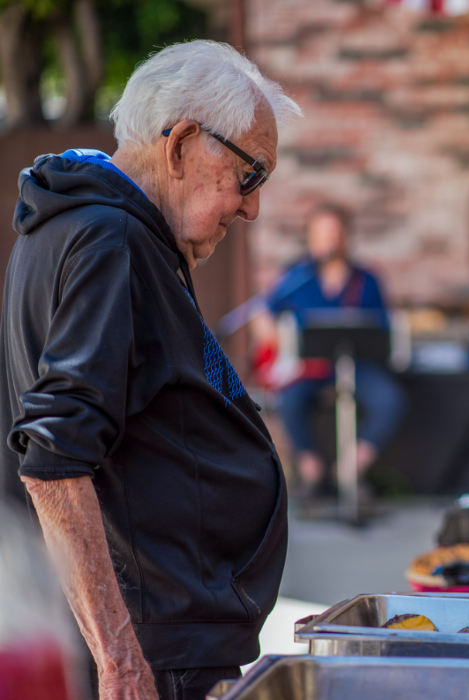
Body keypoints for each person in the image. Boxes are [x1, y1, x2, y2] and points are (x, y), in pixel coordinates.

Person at [0, 41, 301, 700]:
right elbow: (52, 461)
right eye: (249, 174)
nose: (251, 207)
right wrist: (120, 661)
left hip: (161, 638)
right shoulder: (111, 240)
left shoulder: (92, 229)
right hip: (155, 652)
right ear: (183, 144)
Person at [254, 205, 406, 499]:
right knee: (289, 400)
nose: (327, 241)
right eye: (320, 235)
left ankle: (350, 470)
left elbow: (384, 326)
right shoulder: (296, 277)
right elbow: (263, 316)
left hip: (358, 366)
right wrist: (280, 342)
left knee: (389, 399)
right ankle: (311, 473)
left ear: (346, 237)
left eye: (333, 234)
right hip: (309, 367)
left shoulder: (367, 280)